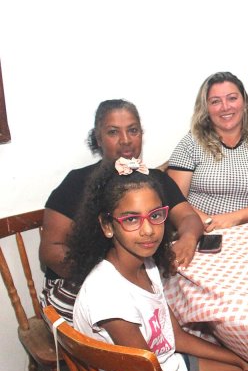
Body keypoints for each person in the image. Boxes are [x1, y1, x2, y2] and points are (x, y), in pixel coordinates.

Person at [70, 160, 248, 371]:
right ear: (107, 226)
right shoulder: (109, 296)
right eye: (131, 219)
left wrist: (239, 360)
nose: (148, 230)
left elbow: (176, 336)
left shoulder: (146, 265)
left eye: (155, 216)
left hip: (168, 367)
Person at [40, 99, 203, 323]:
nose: (126, 140)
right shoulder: (77, 182)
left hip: (142, 280)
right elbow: (50, 250)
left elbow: (188, 217)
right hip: (79, 286)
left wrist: (188, 238)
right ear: (98, 138)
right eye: (113, 132)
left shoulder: (154, 179)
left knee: (194, 310)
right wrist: (109, 278)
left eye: (133, 130)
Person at [167, 72, 248, 231]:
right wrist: (210, 223)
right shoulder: (190, 144)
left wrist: (234, 218)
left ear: (245, 103)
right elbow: (175, 201)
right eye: (215, 101)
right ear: (206, 108)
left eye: (232, 98)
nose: (225, 107)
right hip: (201, 231)